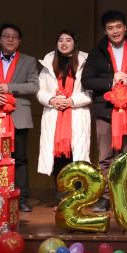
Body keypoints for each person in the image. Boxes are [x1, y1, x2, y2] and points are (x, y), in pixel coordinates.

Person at [83, 10, 127, 212]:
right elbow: (87, 81)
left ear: (125, 28)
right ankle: (105, 197)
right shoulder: (97, 52)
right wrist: (111, 81)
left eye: (118, 27)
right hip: (105, 110)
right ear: (105, 31)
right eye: (110, 28)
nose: (115, 31)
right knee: (105, 156)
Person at [0, 23, 39, 212]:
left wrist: (10, 87)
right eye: (6, 36)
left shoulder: (28, 61)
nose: (10, 39)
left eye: (14, 37)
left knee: (20, 158)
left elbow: (34, 86)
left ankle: (22, 198)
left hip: (19, 115)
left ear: (19, 41)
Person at [35, 30, 92, 200]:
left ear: (75, 43)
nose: (64, 43)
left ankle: (77, 198)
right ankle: (61, 198)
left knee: (76, 157)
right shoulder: (48, 65)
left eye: (68, 40)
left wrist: (71, 101)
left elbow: (90, 92)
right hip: (54, 115)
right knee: (57, 157)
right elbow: (39, 91)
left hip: (77, 115)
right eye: (60, 40)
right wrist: (51, 100)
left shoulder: (84, 63)